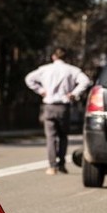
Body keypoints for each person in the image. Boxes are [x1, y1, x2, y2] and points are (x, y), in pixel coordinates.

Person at [25, 47, 91, 175]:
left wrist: (40, 90)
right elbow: (86, 81)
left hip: (49, 106)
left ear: (53, 57)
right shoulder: (72, 70)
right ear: (66, 57)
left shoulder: (44, 69)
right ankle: (61, 164)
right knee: (63, 136)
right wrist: (74, 93)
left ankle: (52, 166)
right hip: (63, 107)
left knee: (51, 137)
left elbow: (29, 78)